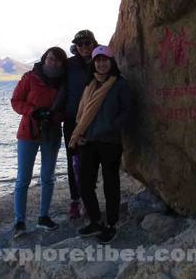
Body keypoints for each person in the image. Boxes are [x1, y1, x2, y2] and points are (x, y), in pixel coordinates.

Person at [71, 45, 131, 244]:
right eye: (98, 60)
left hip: (109, 141)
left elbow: (127, 111)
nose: (101, 63)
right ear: (94, 63)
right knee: (86, 184)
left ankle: (112, 224)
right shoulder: (90, 85)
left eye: (105, 60)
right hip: (87, 141)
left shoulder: (120, 84)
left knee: (110, 184)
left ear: (111, 62)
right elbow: (83, 113)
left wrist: (112, 126)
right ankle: (96, 220)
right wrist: (79, 132)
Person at [10, 46, 67, 238]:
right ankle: (19, 222)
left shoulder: (64, 82)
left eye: (58, 60)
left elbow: (68, 108)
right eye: (51, 59)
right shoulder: (30, 78)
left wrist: (54, 115)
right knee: (23, 179)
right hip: (28, 133)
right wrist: (32, 111)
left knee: (48, 177)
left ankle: (43, 217)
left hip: (51, 133)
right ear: (44, 59)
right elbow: (16, 101)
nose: (54, 63)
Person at [63, 29, 98, 219]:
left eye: (87, 43)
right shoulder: (69, 65)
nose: (84, 46)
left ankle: (88, 198)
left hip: (93, 118)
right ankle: (75, 199)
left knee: (89, 160)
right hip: (71, 118)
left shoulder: (100, 62)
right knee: (72, 159)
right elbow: (59, 87)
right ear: (75, 46)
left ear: (93, 43)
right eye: (80, 44)